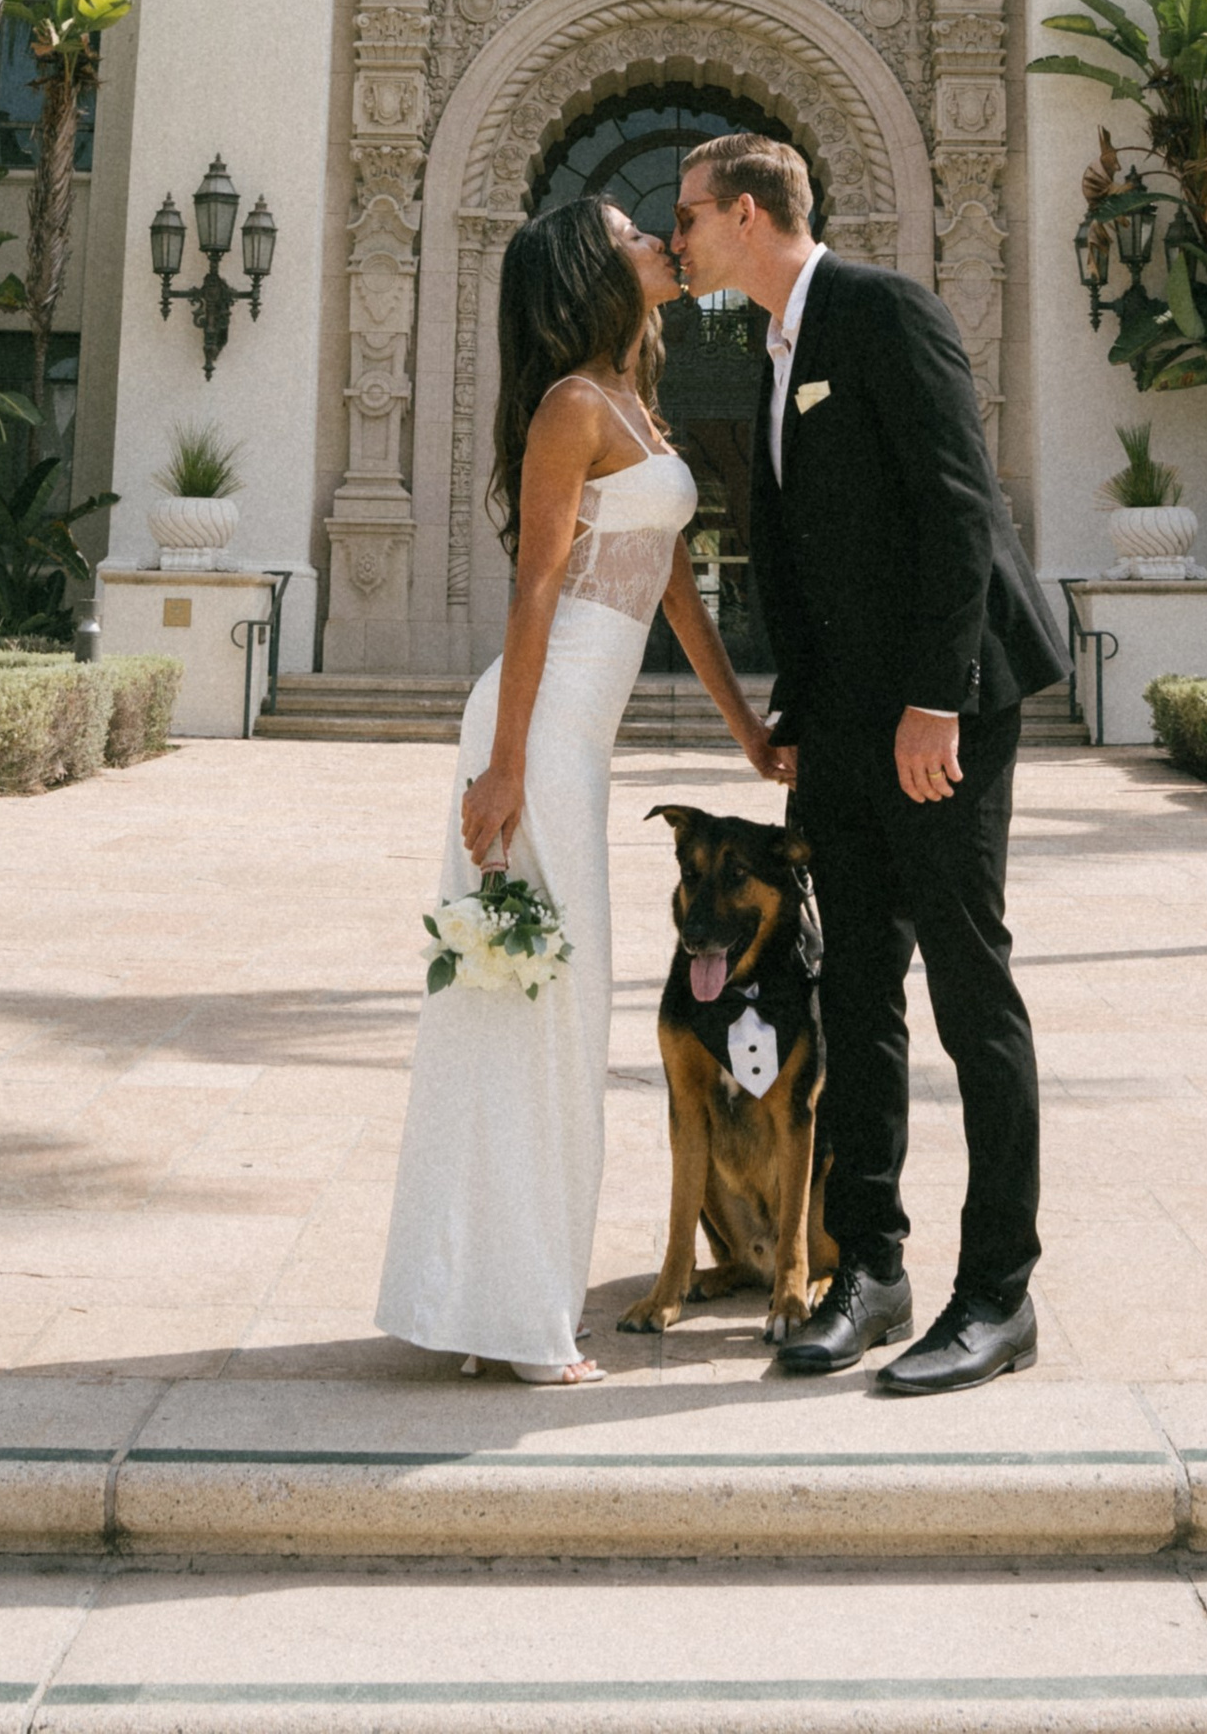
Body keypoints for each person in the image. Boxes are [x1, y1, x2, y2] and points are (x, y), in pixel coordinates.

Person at [670, 132, 1065, 1396]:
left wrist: (933, 702)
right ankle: (873, 1270)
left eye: (685, 216)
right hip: (843, 725)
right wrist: (798, 708)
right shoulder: (759, 348)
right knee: (854, 999)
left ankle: (998, 1293)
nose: (673, 237)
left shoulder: (887, 313)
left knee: (967, 989)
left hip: (940, 713)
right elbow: (798, 546)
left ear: (743, 214)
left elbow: (961, 510)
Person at [376, 196, 791, 1382]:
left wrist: (745, 731)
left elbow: (673, 590)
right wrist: (504, 765)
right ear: (585, 270)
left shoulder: (634, 406)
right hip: (537, 730)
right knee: (532, 1013)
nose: (657, 238)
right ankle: (510, 1315)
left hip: (571, 742)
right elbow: (534, 595)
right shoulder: (569, 406)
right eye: (626, 233)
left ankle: (493, 1300)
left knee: (549, 1010)